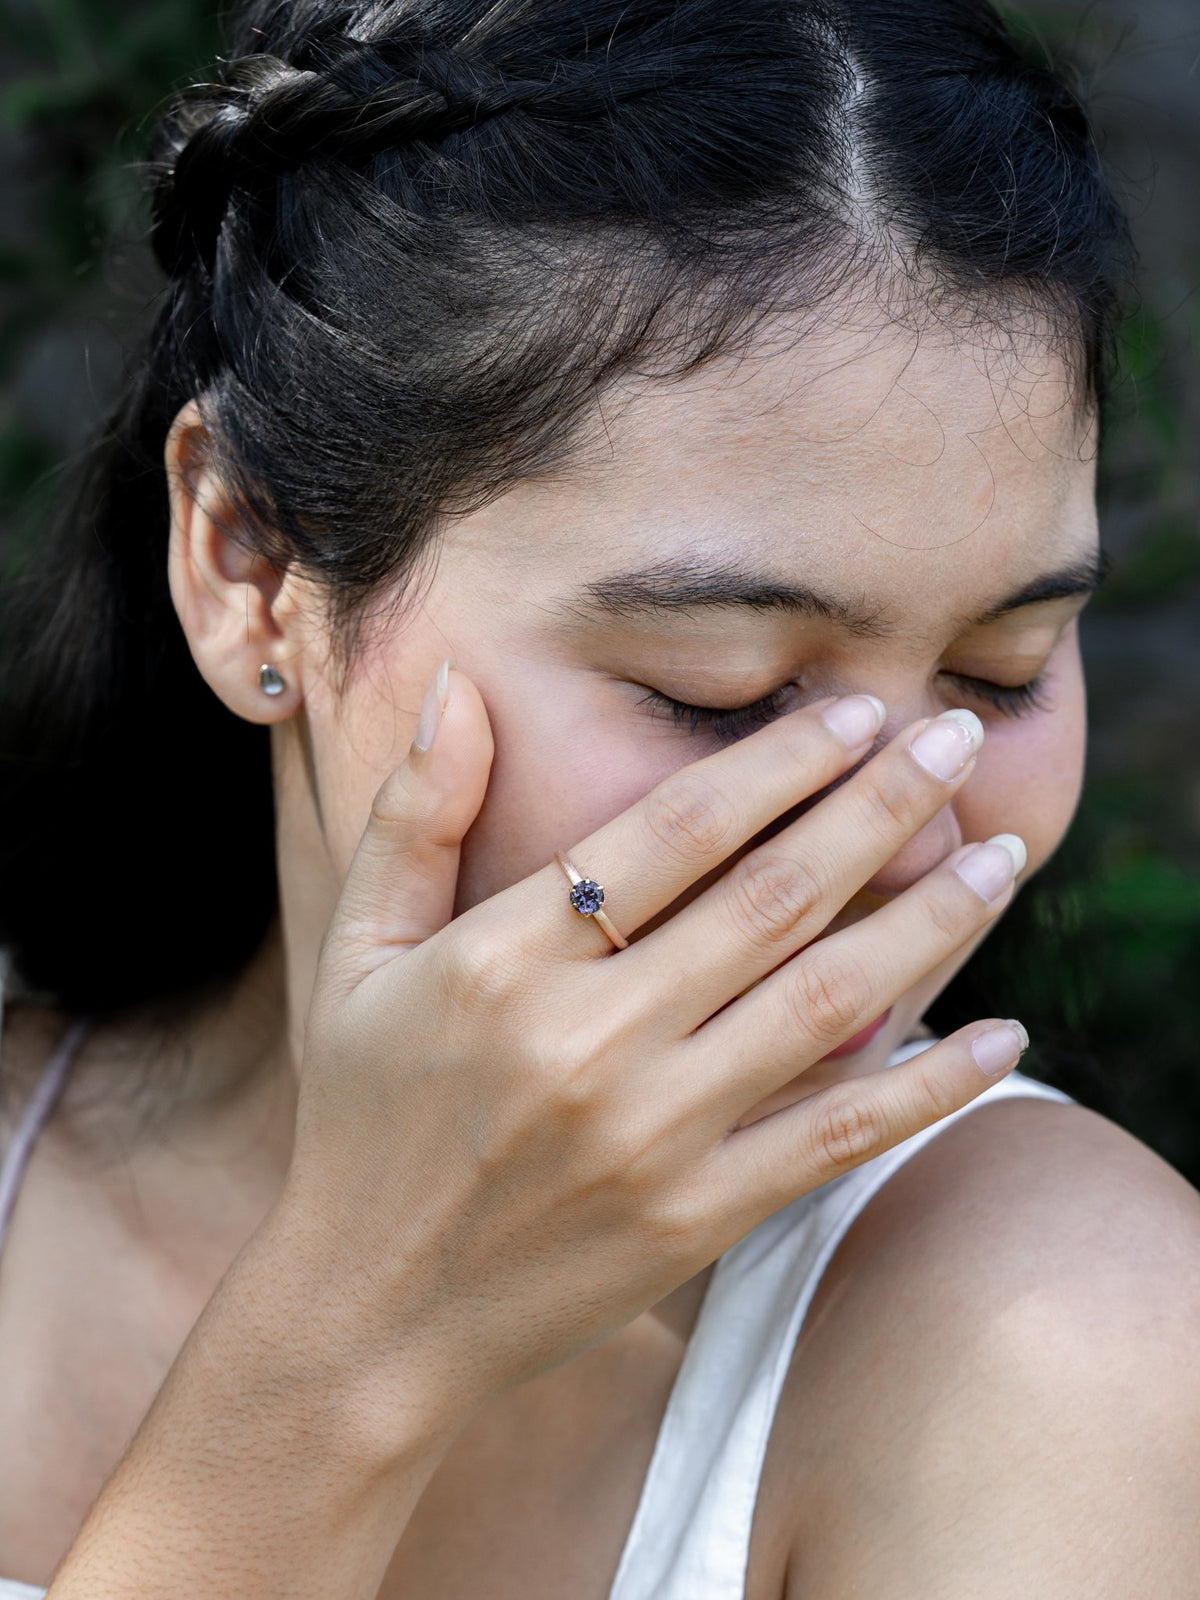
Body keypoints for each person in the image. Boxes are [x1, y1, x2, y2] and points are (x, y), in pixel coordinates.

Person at [1, 0, 1198, 1593]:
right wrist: (348, 1343)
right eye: (722, 688)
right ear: (249, 567)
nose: (906, 835)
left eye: (1005, 667)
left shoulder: (1061, 1326)